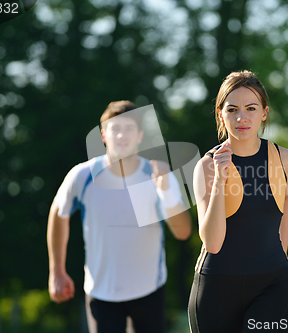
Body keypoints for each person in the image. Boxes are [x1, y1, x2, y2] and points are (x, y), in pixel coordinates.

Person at [47, 100, 192, 333]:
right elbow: (58, 213)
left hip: (149, 290)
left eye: (129, 129)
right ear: (103, 135)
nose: (122, 135)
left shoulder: (158, 175)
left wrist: (165, 190)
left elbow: (183, 232)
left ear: (139, 136)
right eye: (115, 129)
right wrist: (57, 271)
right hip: (100, 292)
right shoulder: (82, 176)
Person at [188, 70, 288, 333]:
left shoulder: (285, 160)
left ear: (264, 113)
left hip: (274, 285)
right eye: (232, 109)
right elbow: (212, 243)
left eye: (251, 108)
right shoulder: (206, 167)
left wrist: (278, 256)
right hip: (217, 289)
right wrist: (220, 181)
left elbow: (286, 208)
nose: (241, 118)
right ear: (220, 114)